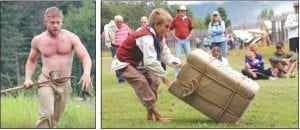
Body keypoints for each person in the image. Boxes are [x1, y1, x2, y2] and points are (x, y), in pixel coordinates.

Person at [23, 7, 92, 128]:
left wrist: (86, 73)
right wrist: (28, 79)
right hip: (46, 81)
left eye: (58, 22)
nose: (55, 25)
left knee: (55, 117)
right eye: (52, 22)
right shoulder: (38, 40)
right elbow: (31, 61)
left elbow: (85, 56)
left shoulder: (71, 38)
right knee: (46, 114)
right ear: (46, 22)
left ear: (61, 21)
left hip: (65, 83)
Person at [111, 8, 182, 122]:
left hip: (137, 62)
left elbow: (166, 55)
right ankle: (158, 116)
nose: (168, 30)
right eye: (166, 26)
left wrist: (179, 64)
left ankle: (150, 114)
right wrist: (165, 77)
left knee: (154, 81)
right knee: (142, 82)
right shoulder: (146, 36)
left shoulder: (160, 37)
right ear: (156, 25)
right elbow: (150, 61)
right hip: (124, 62)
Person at [104, 15, 132, 83]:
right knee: (117, 63)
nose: (119, 23)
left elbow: (131, 34)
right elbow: (106, 35)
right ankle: (121, 79)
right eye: (117, 22)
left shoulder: (126, 27)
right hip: (115, 47)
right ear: (114, 21)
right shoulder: (111, 27)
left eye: (121, 22)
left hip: (124, 47)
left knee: (126, 63)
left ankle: (127, 77)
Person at [169, 5, 194, 76]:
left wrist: (190, 36)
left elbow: (192, 28)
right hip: (178, 41)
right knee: (177, 56)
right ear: (179, 11)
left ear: (185, 12)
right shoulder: (175, 19)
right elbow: (170, 29)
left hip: (186, 40)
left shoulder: (188, 19)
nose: (182, 12)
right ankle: (177, 72)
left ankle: (190, 71)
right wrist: (174, 37)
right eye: (181, 11)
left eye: (184, 11)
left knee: (189, 56)